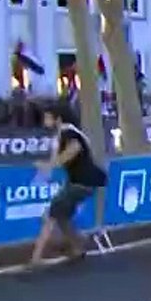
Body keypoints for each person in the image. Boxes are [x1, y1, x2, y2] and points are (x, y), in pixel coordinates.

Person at [29, 102, 107, 266]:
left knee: (50, 215)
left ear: (57, 118)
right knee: (62, 217)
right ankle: (78, 245)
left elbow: (75, 148)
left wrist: (51, 164)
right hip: (84, 182)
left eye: (47, 117)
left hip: (81, 181)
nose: (44, 120)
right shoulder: (65, 133)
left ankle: (36, 258)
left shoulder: (67, 132)